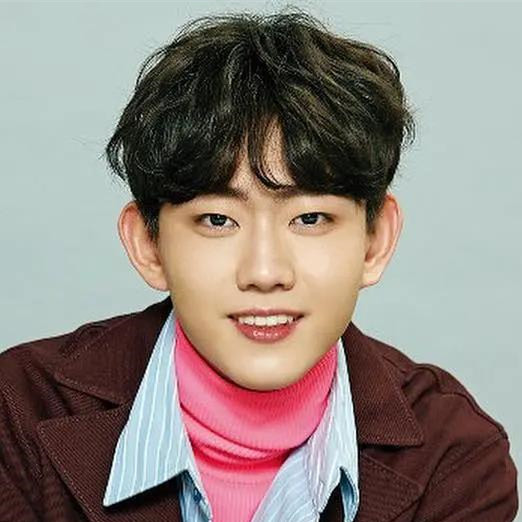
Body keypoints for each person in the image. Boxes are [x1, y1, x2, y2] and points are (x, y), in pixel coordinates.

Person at [0, 9, 517, 522]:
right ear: (148, 244)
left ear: (375, 240)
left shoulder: (454, 458)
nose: (265, 272)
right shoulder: (17, 411)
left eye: (310, 218)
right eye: (218, 220)